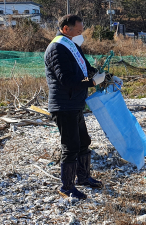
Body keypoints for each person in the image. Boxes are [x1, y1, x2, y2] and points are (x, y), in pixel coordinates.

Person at [45, 14, 121, 199]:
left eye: (81, 31)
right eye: (78, 31)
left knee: (83, 142)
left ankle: (84, 177)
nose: (81, 34)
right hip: (64, 105)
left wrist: (108, 78)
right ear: (66, 29)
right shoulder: (57, 48)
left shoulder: (72, 47)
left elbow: (88, 69)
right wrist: (92, 82)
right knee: (70, 146)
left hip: (75, 104)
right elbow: (67, 80)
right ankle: (66, 186)